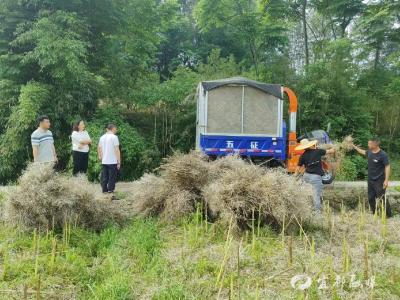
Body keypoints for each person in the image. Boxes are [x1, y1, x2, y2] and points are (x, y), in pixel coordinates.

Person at [352, 137, 392, 217]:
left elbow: (387, 166)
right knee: (371, 198)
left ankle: (389, 215)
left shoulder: (383, 154)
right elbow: (363, 152)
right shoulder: (369, 152)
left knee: (381, 198)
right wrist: (354, 147)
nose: (368, 145)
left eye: (370, 143)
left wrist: (386, 180)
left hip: (379, 180)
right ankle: (375, 213)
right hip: (370, 180)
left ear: (375, 144)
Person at [295, 139, 335, 212]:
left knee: (307, 193)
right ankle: (317, 212)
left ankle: (307, 210)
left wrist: (294, 177)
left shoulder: (303, 155)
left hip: (306, 176)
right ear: (311, 145)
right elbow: (331, 151)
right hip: (315, 177)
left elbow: (297, 168)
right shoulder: (318, 151)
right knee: (316, 194)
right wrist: (334, 148)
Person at [98, 124, 121, 198]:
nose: (116, 130)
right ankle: (110, 191)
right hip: (112, 161)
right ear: (113, 129)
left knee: (104, 176)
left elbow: (99, 148)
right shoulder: (114, 137)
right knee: (112, 177)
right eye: (116, 129)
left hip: (104, 161)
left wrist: (101, 157)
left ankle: (104, 190)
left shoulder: (102, 137)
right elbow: (117, 150)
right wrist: (119, 161)